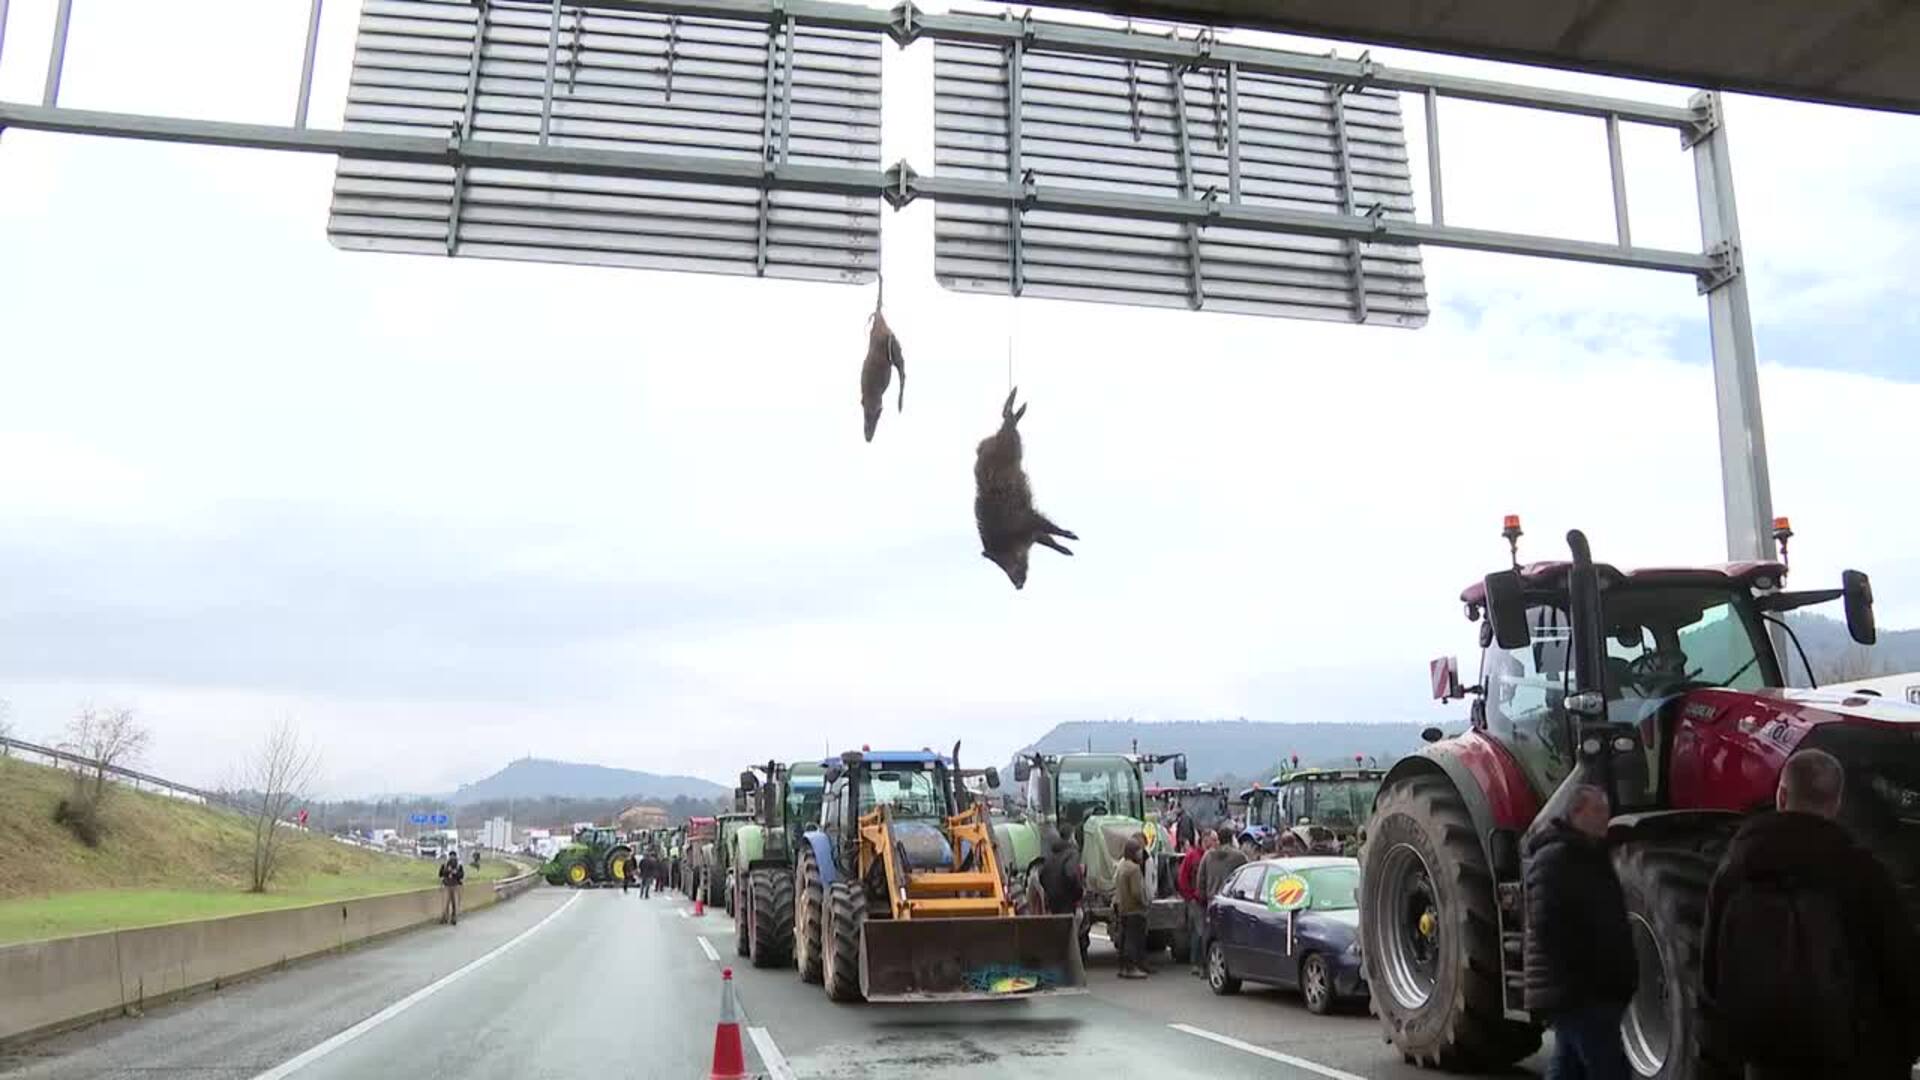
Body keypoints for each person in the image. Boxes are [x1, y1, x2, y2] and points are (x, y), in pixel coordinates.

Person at [1698, 749, 1920, 1080]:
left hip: (1767, 1063)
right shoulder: (1864, 873)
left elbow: (1711, 982)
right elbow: (1903, 973)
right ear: (1837, 803)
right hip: (1853, 1062)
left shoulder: (1735, 870)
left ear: (1781, 795)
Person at [1522, 783, 1633, 1080]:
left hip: (1588, 991)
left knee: (1569, 1068)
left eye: (1606, 811)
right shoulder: (1556, 858)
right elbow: (1547, 925)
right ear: (1575, 813)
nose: (1604, 818)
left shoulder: (1591, 856)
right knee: (1610, 1070)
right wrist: (1583, 979)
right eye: (1597, 810)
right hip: (1579, 992)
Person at [1176, 827, 1214, 975]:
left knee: (1205, 932)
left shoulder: (1212, 856)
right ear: (1205, 840)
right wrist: (1190, 897)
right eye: (1213, 839)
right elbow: (1182, 878)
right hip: (1196, 900)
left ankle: (1202, 962)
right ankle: (1197, 963)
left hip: (1208, 899)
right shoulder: (1192, 856)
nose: (1216, 843)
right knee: (1199, 932)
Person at [1113, 836, 1149, 979]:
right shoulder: (1134, 869)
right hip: (1134, 909)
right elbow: (1136, 892)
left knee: (1124, 938)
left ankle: (1123, 967)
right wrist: (1144, 902)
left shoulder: (1122, 866)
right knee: (1133, 940)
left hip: (1123, 907)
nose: (1141, 854)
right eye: (1139, 851)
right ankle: (1132, 967)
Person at [1196, 825, 1247, 908]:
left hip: (1212, 902)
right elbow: (1246, 881)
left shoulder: (1208, 855)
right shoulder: (1239, 857)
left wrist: (1204, 899)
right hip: (1231, 903)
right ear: (1232, 839)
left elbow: (1200, 880)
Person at [1037, 828, 1083, 920]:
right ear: (1071, 838)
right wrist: (1078, 893)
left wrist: (1050, 892)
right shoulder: (1072, 853)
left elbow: (1042, 874)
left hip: (1053, 901)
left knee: (1058, 929)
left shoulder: (1052, 854)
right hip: (1067, 901)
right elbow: (1070, 873)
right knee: (1071, 929)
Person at [439, 849, 466, 926]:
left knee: (454, 903)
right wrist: (448, 871)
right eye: (451, 856)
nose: (452, 857)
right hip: (447, 885)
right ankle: (445, 917)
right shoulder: (445, 864)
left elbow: (461, 875)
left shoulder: (459, 865)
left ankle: (453, 918)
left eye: (453, 856)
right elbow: (441, 874)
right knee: (445, 903)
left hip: (455, 886)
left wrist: (455, 873)